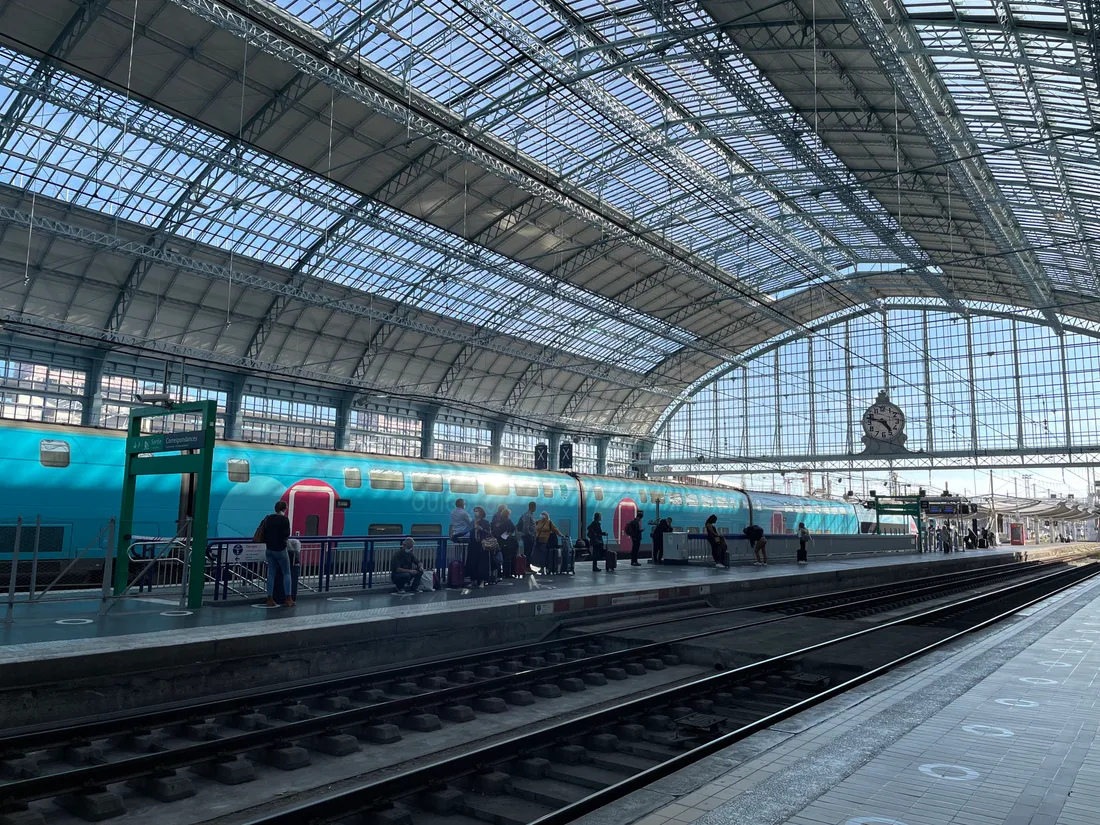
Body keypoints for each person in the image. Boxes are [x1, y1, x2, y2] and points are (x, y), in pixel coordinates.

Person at [260, 500, 294, 607]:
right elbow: (287, 534)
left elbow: (264, 532)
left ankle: (269, 599)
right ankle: (288, 598)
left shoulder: (268, 518)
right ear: (284, 509)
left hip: (269, 549)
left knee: (271, 574)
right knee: (287, 573)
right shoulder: (284, 519)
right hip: (280, 549)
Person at [467, 506, 492, 587]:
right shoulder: (472, 522)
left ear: (481, 512)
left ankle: (482, 581)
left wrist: (481, 529)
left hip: (482, 545)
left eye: (477, 511)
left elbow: (489, 533)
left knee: (482, 563)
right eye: (474, 511)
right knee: (473, 562)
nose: (475, 513)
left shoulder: (485, 522)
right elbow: (467, 530)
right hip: (473, 545)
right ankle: (473, 580)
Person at [494, 507, 518, 578]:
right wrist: (506, 536)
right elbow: (512, 529)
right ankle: (507, 573)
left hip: (499, 541)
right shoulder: (508, 522)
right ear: (507, 515)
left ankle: (498, 573)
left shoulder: (499, 521)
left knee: (499, 558)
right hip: (506, 542)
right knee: (507, 558)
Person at [518, 502, 537, 568]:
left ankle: (528, 566)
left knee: (529, 552)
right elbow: (526, 526)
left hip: (530, 536)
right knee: (528, 552)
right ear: (532, 507)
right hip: (528, 537)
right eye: (535, 507)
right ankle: (526, 567)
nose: (535, 508)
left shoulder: (530, 515)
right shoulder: (528, 515)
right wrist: (530, 534)